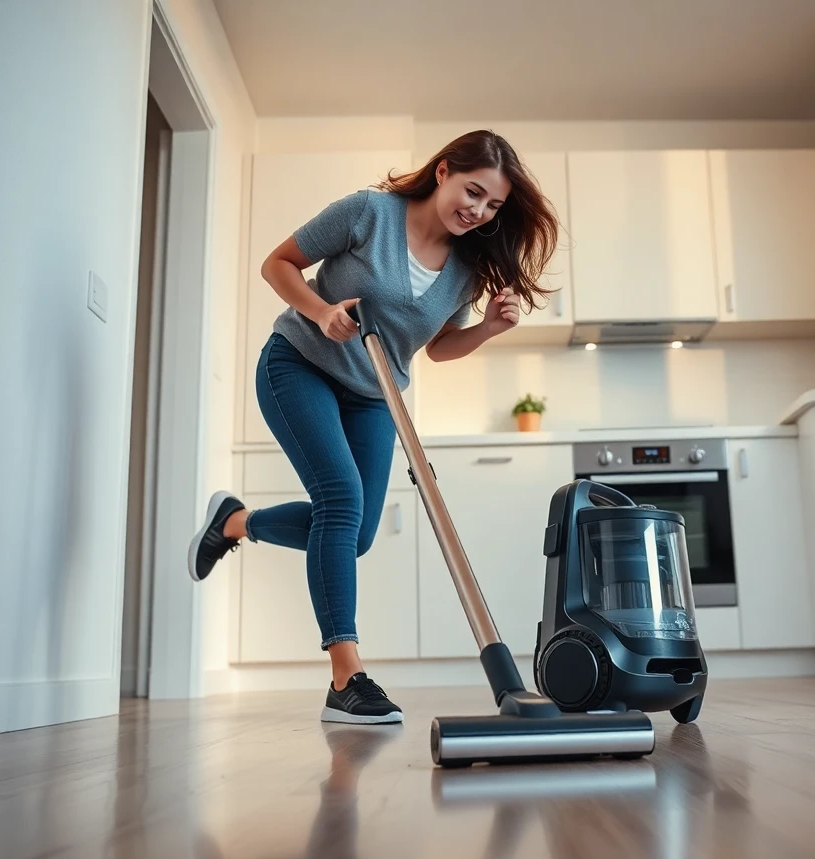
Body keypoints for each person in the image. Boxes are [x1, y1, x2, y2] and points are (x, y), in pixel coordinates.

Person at [187, 130, 560, 724]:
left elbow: (436, 350)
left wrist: (487, 328)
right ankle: (346, 677)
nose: (478, 211)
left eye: (492, 205)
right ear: (442, 172)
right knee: (340, 500)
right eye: (473, 192)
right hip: (299, 364)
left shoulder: (466, 267)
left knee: (354, 533)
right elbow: (277, 263)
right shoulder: (370, 212)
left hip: (374, 394)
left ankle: (234, 521)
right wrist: (322, 310)